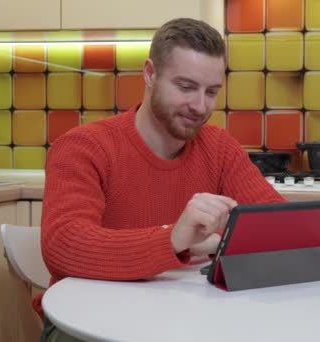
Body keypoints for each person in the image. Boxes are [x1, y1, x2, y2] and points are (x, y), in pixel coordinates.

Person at [37, 17, 286, 341]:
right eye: (185, 87)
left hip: (187, 317)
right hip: (87, 322)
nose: (200, 106)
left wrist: (215, 239)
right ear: (150, 74)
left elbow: (282, 229)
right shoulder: (83, 147)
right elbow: (63, 245)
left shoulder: (220, 148)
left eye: (211, 91)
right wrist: (173, 239)